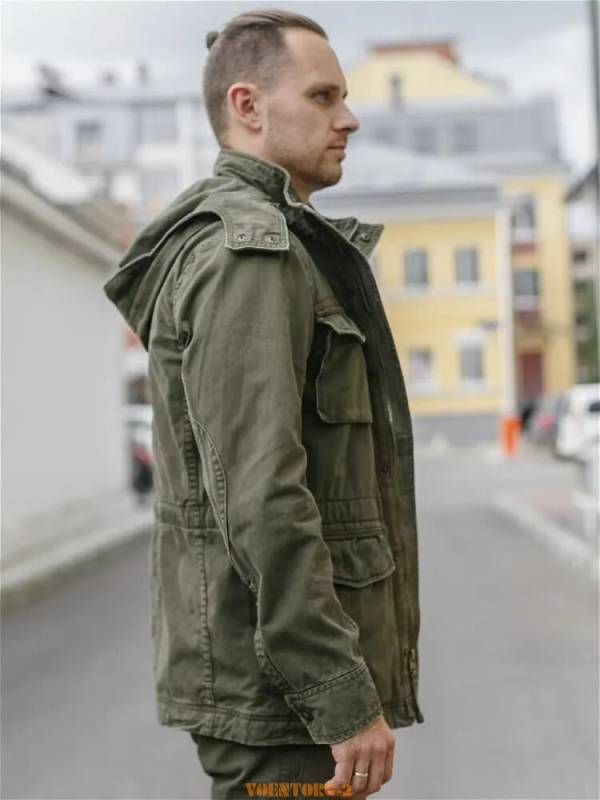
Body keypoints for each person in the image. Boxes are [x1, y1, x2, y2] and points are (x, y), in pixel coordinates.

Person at [103, 9, 423, 799]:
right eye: (323, 96)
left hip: (277, 697)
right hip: (281, 707)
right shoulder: (249, 254)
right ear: (247, 106)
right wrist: (337, 695)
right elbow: (260, 493)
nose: (349, 118)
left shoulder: (278, 242)